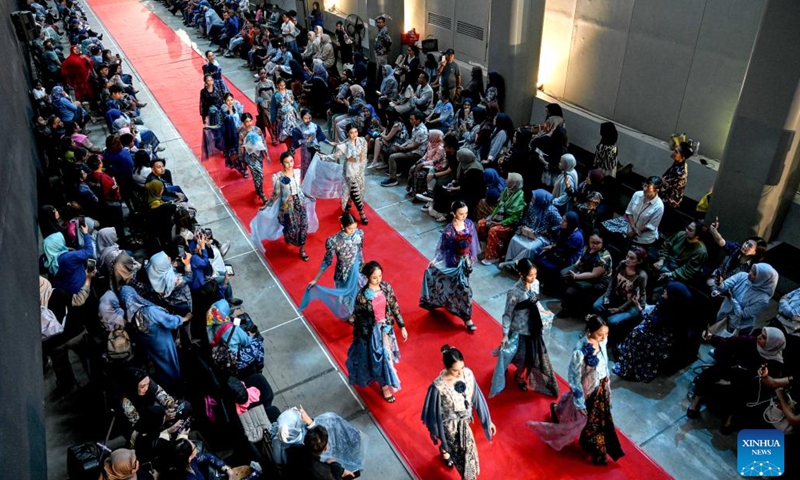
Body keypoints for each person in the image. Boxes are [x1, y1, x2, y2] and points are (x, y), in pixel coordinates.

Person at [529, 316, 624, 466]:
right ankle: (596, 450)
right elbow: (574, 378)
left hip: (601, 387)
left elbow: (604, 364)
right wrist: (580, 402)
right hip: (587, 391)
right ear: (589, 331)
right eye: (600, 335)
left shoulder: (602, 342)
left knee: (598, 421)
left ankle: (596, 448)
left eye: (606, 334)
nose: (604, 338)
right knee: (589, 419)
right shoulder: (580, 352)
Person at [687, 327, 786, 434]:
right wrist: (712, 338)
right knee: (709, 374)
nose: (759, 337)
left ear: (772, 343)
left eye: (764, 337)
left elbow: (759, 382)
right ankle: (697, 400)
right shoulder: (750, 341)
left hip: (747, 381)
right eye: (760, 334)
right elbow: (727, 342)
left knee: (744, 394)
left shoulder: (774, 362)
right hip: (731, 368)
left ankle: (731, 417)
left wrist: (731, 383)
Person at [421, 345, 496, 479]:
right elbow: (432, 412)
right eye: (455, 370)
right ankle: (447, 450)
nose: (460, 373)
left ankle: (445, 450)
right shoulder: (438, 387)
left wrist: (487, 421)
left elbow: (477, 398)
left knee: (468, 456)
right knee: (463, 461)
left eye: (462, 367)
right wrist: (437, 432)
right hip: (449, 429)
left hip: (465, 424)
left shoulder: (468, 374)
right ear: (447, 368)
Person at [490, 259, 558, 398]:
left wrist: (542, 310)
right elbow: (507, 314)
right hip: (519, 330)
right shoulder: (514, 292)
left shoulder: (536, 283)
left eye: (535, 274)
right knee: (514, 355)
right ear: (521, 274)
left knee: (529, 357)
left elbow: (535, 301)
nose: (533, 278)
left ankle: (519, 375)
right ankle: (507, 370)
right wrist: (505, 334)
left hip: (533, 327)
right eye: (530, 275)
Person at [346, 261, 408, 402]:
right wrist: (362, 334)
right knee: (378, 359)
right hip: (372, 333)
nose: (378, 279)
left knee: (387, 358)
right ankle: (385, 387)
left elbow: (394, 306)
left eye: (380, 276)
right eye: (374, 277)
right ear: (368, 277)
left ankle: (386, 382)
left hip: (386, 330)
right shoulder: (362, 296)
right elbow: (358, 316)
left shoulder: (386, 288)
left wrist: (402, 326)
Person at [613, 282, 692, 382]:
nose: (664, 291)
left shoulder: (672, 313)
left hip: (659, 339)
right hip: (655, 330)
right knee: (637, 330)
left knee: (636, 334)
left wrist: (639, 308)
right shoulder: (667, 303)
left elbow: (651, 323)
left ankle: (631, 364)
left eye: (667, 291)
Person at [420, 201, 480, 331]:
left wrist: (471, 259)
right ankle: (466, 317)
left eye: (466, 213)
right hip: (453, 263)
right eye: (461, 213)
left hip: (465, 264)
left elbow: (473, 243)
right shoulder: (449, 230)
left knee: (463, 289)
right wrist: (435, 260)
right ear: (453, 213)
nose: (464, 216)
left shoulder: (469, 224)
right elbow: (443, 248)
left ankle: (464, 315)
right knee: (461, 290)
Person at [119, 286, 191, 386]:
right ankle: (177, 385)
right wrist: (185, 318)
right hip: (164, 344)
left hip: (152, 347)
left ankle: (167, 385)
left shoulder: (130, 317)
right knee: (171, 364)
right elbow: (169, 321)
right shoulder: (148, 311)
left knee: (161, 366)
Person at [251, 151, 313, 261]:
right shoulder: (278, 177)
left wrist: (308, 196)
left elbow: (299, 188)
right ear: (282, 163)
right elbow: (276, 194)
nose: (290, 164)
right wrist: (267, 205)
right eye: (286, 162)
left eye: (291, 161)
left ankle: (302, 249)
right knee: (291, 228)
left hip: (300, 203)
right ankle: (287, 234)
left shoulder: (298, 172)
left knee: (304, 226)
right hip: (287, 207)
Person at [302, 213, 365, 320]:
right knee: (346, 295)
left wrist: (363, 264)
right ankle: (350, 313)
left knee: (358, 291)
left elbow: (360, 251)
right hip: (343, 274)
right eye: (350, 228)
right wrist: (316, 279)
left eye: (355, 228)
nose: (353, 231)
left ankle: (356, 311)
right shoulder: (334, 241)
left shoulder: (359, 234)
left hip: (357, 269)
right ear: (342, 226)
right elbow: (327, 261)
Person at [710, 263, 779, 336]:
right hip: (723, 314)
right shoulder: (742, 276)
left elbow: (743, 314)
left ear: (762, 279)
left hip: (737, 327)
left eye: (754, 274)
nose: (750, 273)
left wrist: (732, 299)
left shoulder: (763, 299)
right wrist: (720, 283)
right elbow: (726, 285)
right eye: (751, 270)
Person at [500, 189, 563, 269]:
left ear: (540, 200)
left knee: (529, 248)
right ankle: (509, 259)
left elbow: (560, 223)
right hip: (530, 230)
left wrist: (549, 230)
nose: (531, 199)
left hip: (543, 236)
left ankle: (515, 265)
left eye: (534, 198)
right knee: (514, 239)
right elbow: (527, 218)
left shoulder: (551, 211)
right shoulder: (532, 205)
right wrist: (524, 227)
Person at [320, 124, 369, 224]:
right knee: (355, 191)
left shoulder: (362, 141)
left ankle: (349, 203)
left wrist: (360, 163)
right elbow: (335, 156)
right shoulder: (344, 145)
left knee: (359, 189)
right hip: (350, 170)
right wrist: (323, 157)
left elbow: (364, 156)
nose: (354, 134)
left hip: (359, 170)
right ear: (347, 133)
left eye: (356, 132)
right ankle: (361, 212)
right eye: (351, 133)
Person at [593, 247, 648, 335]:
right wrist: (607, 296)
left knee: (612, 321)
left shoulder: (641, 276)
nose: (627, 259)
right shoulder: (622, 264)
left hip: (633, 304)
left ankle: (610, 334)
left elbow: (634, 299)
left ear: (639, 261)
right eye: (627, 256)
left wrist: (618, 309)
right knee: (597, 306)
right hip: (618, 296)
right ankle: (599, 327)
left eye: (632, 258)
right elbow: (613, 282)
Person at [558, 231, 612, 317]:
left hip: (598, 281)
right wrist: (573, 270)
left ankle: (567, 310)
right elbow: (580, 261)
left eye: (598, 243)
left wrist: (576, 276)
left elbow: (594, 275)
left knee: (570, 292)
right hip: (585, 271)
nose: (595, 245)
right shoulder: (587, 248)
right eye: (592, 242)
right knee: (563, 275)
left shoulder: (604, 257)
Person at [477, 173, 525, 265]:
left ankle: (493, 256)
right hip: (498, 217)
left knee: (493, 230)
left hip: (509, 223)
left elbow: (515, 217)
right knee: (481, 223)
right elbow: (499, 206)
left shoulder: (520, 197)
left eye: (508, 179)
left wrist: (499, 223)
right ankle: (485, 249)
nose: (505, 180)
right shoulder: (506, 190)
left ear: (513, 183)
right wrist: (491, 217)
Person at [602, 176, 664, 247]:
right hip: (630, 229)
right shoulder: (637, 194)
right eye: (644, 185)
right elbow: (629, 212)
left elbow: (651, 225)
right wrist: (633, 227)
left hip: (644, 238)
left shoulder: (659, 206)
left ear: (657, 190)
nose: (644, 189)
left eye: (648, 188)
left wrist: (634, 232)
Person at [706, 219, 767, 289]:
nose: (745, 246)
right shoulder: (736, 249)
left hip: (728, 290)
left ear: (755, 252)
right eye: (746, 242)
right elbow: (721, 241)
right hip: (714, 280)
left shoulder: (752, 268)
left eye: (750, 246)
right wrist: (714, 231)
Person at [429, 147, 485, 222]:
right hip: (462, 186)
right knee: (441, 190)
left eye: (458, 156)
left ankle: (447, 215)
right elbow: (460, 178)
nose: (457, 157)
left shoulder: (474, 170)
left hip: (472, 192)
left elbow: (468, 186)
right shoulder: (464, 163)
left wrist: (453, 188)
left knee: (448, 195)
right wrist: (453, 183)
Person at [534, 212, 584, 291]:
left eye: (565, 221)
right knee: (538, 255)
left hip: (568, 258)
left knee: (550, 267)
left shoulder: (576, 236)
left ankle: (548, 286)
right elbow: (558, 242)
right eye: (562, 219)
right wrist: (552, 246)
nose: (562, 222)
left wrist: (552, 248)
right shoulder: (565, 229)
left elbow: (566, 251)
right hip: (558, 251)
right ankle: (540, 277)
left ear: (571, 223)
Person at [381, 110, 428, 187]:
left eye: (412, 119)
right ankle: (397, 170)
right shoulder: (415, 126)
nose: (410, 121)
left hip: (416, 153)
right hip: (411, 149)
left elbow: (415, 146)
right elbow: (411, 140)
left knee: (392, 157)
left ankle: (393, 179)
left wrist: (403, 148)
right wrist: (402, 146)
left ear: (418, 120)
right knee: (393, 149)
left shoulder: (422, 131)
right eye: (410, 119)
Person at [653, 220, 708, 284]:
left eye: (690, 230)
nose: (686, 230)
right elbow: (666, 246)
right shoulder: (681, 234)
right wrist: (661, 260)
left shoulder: (701, 252)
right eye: (687, 227)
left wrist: (671, 274)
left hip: (679, 273)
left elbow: (689, 270)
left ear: (697, 235)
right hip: (666, 261)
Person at [43, 228, 94, 295]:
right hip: (78, 289)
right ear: (58, 245)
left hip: (65, 288)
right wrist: (86, 233)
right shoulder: (69, 257)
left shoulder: (49, 260)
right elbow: (89, 251)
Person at [292, 108, 334, 178]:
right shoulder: (299, 129)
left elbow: (321, 136)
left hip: (316, 147)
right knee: (306, 164)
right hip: (306, 149)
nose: (308, 120)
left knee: (316, 162)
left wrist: (329, 143)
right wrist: (306, 140)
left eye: (310, 118)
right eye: (305, 118)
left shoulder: (315, 126)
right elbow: (296, 141)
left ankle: (316, 177)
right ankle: (307, 178)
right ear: (302, 118)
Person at [238, 112, 269, 203]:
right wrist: (242, 160)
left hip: (259, 155)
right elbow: (241, 147)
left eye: (250, 121)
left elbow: (263, 142)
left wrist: (267, 154)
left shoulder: (257, 130)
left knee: (258, 175)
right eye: (246, 122)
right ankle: (262, 194)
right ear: (243, 123)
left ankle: (258, 188)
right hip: (250, 157)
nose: (249, 123)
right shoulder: (242, 134)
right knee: (259, 174)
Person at [270, 78, 301, 153]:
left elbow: (293, 102)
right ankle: (289, 147)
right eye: (281, 85)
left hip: (291, 116)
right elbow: (273, 108)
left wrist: (297, 110)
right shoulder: (275, 96)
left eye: (284, 85)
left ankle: (292, 146)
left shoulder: (289, 92)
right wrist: (273, 118)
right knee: (285, 134)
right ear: (277, 85)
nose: (282, 87)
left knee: (292, 132)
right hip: (282, 117)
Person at [661, 141, 693, 209]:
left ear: (682, 157)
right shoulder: (678, 163)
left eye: (676, 152)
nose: (673, 153)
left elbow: (665, 185)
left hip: (669, 201)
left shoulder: (680, 172)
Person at [220, 92, 245, 176]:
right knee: (234, 153)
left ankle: (243, 166)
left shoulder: (236, 107)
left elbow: (241, 118)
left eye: (231, 99)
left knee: (242, 151)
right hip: (230, 135)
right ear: (224, 101)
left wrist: (242, 125)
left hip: (239, 132)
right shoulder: (223, 112)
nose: (230, 102)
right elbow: (221, 124)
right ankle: (240, 168)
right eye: (228, 100)